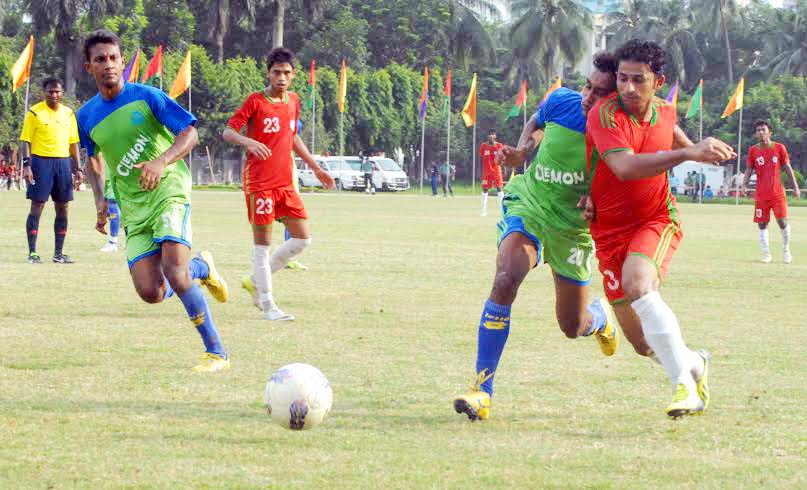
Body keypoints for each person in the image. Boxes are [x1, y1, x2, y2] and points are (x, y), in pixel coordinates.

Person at [452, 52, 622, 422]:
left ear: (617, 96)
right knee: (505, 279)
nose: (588, 97)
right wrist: (522, 152)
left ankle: (598, 318)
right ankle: (482, 391)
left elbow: (629, 179)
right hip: (532, 205)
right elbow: (536, 118)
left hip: (573, 230)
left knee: (571, 327)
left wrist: (600, 201)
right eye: (587, 86)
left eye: (600, 92)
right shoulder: (563, 102)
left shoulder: (621, 131)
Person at [586, 39, 736, 417]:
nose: (628, 88)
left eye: (638, 80)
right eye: (622, 79)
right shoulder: (604, 114)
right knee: (641, 343)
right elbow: (624, 167)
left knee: (639, 284)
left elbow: (674, 136)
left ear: (659, 81)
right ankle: (696, 365)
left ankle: (684, 389)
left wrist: (699, 148)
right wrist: (688, 152)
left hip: (655, 218)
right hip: (607, 231)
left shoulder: (665, 112)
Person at [78, 30, 230, 372]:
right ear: (89, 67)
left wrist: (161, 161)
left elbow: (190, 132)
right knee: (152, 291)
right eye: (100, 59)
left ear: (122, 61)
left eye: (114, 58)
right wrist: (101, 201)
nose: (109, 65)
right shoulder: (85, 117)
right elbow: (93, 159)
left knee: (175, 274)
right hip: (133, 207)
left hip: (168, 191)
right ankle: (202, 268)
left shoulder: (147, 96)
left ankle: (217, 352)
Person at [223, 47, 335, 321]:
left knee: (302, 239)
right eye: (276, 73)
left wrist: (316, 168)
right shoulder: (255, 101)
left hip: (285, 182)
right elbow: (228, 131)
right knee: (262, 245)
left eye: (286, 73)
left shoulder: (294, 101)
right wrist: (248, 141)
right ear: (268, 73)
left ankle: (254, 281)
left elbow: (293, 136)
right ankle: (267, 305)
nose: (281, 78)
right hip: (259, 182)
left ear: (293, 75)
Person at [20, 78, 83, 264]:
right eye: (50, 92)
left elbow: (73, 143)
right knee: (37, 206)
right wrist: (27, 165)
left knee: (63, 208)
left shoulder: (69, 114)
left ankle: (59, 254)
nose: (54, 95)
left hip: (63, 164)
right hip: (40, 163)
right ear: (44, 92)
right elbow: (26, 140)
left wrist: (78, 168)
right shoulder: (34, 112)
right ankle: (32, 253)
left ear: (62, 93)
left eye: (57, 92)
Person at [741, 119, 800, 264]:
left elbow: (787, 168)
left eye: (763, 130)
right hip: (761, 194)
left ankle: (786, 250)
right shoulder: (753, 150)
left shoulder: (779, 148)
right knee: (762, 223)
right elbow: (749, 169)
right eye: (758, 130)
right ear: (756, 134)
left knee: (782, 222)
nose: (761, 132)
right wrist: (744, 184)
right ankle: (767, 254)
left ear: (770, 132)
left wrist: (795, 187)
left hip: (777, 193)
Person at [479, 129, 504, 216]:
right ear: (487, 136)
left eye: (493, 134)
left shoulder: (499, 145)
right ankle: (483, 212)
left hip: (496, 170)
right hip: (486, 172)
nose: (491, 136)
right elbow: (481, 158)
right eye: (489, 134)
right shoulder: (483, 146)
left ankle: (502, 212)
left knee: (499, 188)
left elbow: (502, 158)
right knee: (485, 189)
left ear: (495, 136)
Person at [100, 154, 121, 252]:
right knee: (110, 212)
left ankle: (113, 242)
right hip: (109, 181)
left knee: (113, 210)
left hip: (116, 180)